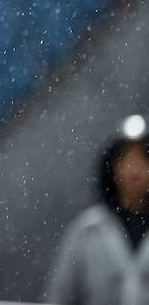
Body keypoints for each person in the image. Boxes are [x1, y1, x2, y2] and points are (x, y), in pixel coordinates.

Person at [44, 116, 149, 305]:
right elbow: (59, 298)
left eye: (143, 159)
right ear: (112, 167)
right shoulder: (86, 232)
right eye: (126, 159)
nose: (134, 170)